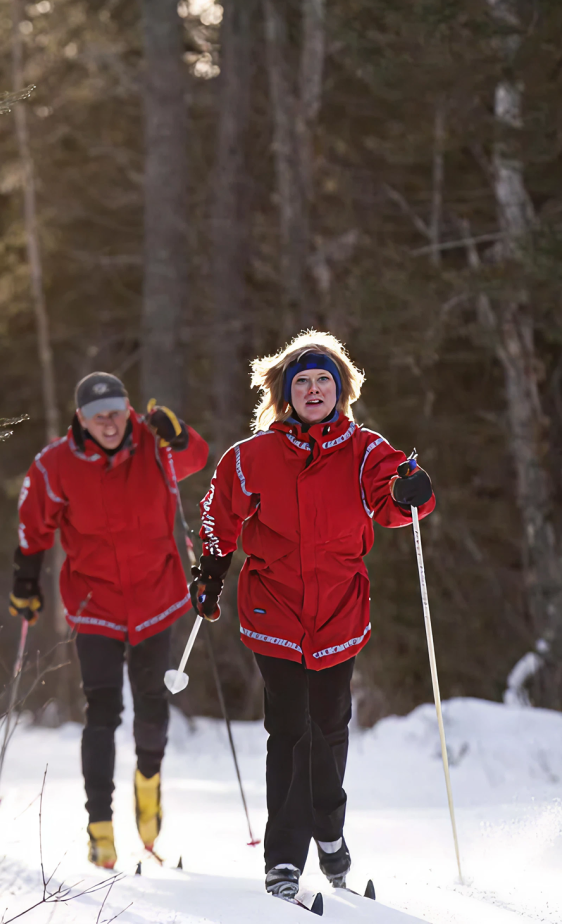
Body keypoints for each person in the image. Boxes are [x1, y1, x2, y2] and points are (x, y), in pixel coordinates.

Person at [190, 331, 435, 900]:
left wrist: (411, 492)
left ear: (341, 389)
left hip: (338, 610)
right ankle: (284, 861)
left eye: (324, 379)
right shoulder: (250, 457)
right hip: (273, 605)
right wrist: (210, 573)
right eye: (302, 382)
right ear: (285, 394)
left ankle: (330, 836)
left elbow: (396, 498)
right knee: (291, 731)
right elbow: (218, 513)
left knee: (330, 727)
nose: (314, 389)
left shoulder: (367, 449)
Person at [11, 372, 209, 869]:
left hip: (156, 597)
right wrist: (25, 582)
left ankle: (149, 783)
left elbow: (197, 456)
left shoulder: (154, 442)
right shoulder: (54, 465)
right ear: (80, 418)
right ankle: (99, 825)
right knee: (102, 710)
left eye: (117, 410)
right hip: (94, 602)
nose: (110, 421)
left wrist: (178, 432)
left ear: (129, 409)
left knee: (152, 705)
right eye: (98, 414)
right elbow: (33, 526)